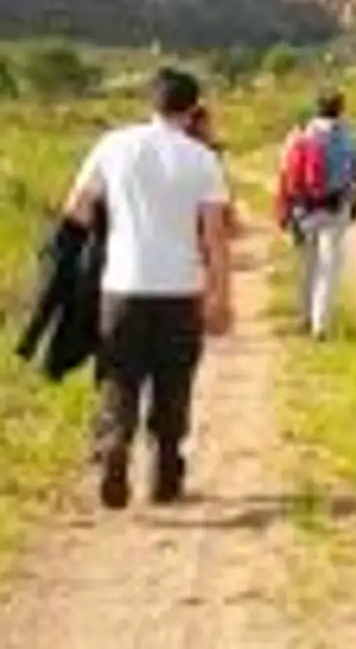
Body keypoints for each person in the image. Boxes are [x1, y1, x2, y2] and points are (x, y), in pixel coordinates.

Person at [62, 67, 234, 510]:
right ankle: (166, 472)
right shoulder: (203, 159)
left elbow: (76, 209)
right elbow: (215, 237)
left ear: (150, 103)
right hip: (180, 289)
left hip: (122, 285)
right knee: (174, 381)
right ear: (192, 109)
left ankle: (115, 443)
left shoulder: (113, 145)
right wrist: (220, 297)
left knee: (119, 376)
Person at [277, 90, 356, 339]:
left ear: (316, 108)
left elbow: (284, 173)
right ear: (341, 109)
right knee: (328, 266)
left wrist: (286, 208)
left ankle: (304, 318)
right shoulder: (349, 138)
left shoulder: (299, 136)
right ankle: (321, 325)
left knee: (306, 264)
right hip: (334, 208)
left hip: (303, 209)